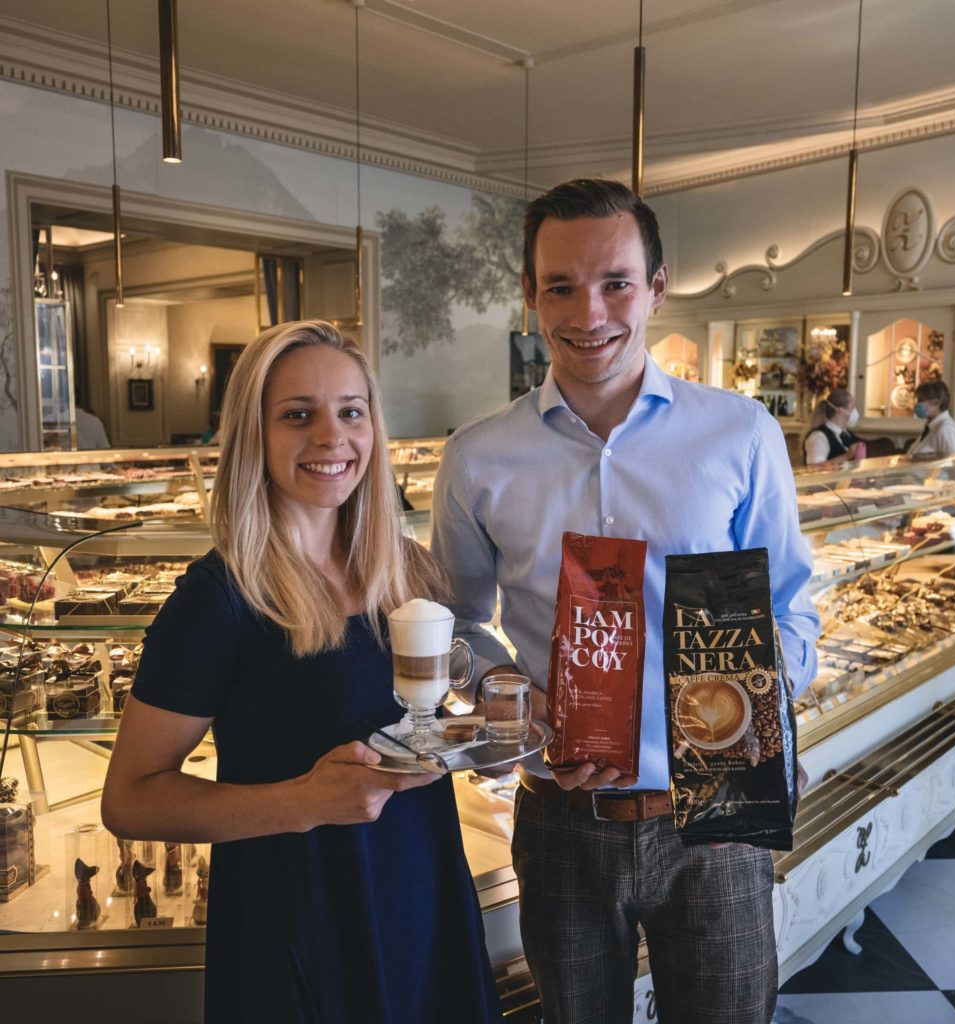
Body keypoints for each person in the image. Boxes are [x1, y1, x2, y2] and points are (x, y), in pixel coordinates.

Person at [431, 179, 820, 1024]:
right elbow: (458, 622)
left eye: (615, 283)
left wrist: (757, 700)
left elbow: (791, 604)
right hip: (561, 815)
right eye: (560, 286)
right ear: (530, 295)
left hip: (718, 808)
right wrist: (509, 695)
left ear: (657, 286)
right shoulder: (477, 458)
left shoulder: (741, 431)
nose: (590, 311)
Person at [101, 320, 500, 1024]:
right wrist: (302, 801)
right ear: (254, 434)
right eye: (297, 415)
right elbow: (130, 798)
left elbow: (418, 726)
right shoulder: (220, 596)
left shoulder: (401, 570)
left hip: (420, 888)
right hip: (300, 919)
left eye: (351, 411)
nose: (330, 437)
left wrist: (480, 726)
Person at [802, 388, 867, 466]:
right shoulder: (818, 437)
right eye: (852, 408)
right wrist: (847, 456)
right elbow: (814, 469)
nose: (855, 412)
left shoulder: (848, 435)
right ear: (840, 410)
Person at [906, 379, 955, 457]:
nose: (917, 404)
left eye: (920, 400)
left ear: (936, 403)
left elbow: (953, 464)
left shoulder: (946, 430)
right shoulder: (931, 428)